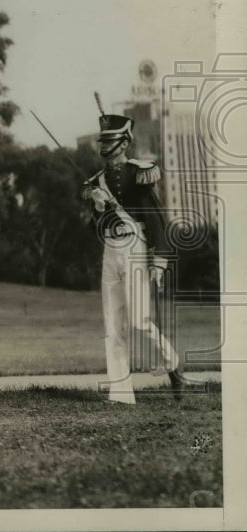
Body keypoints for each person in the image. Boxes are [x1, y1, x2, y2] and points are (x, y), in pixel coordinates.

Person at [81, 112, 201, 404]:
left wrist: (158, 261)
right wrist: (98, 207)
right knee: (112, 325)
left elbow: (156, 218)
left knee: (138, 321)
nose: (106, 145)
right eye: (104, 140)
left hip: (136, 249)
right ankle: (121, 393)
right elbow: (93, 228)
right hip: (110, 251)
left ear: (124, 142)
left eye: (111, 139)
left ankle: (172, 365)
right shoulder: (97, 181)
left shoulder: (139, 173)